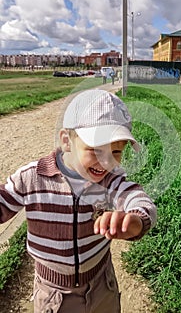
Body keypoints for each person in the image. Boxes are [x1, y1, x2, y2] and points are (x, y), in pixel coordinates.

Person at [0, 88, 157, 313]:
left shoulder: (110, 180)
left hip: (102, 283)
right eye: (95, 149)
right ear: (66, 141)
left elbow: (138, 199)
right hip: (53, 293)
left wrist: (136, 220)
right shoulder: (31, 177)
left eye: (116, 152)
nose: (106, 162)